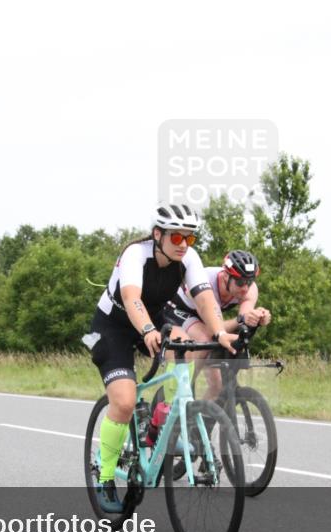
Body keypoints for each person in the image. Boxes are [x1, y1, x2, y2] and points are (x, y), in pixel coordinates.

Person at [85, 203, 238, 512]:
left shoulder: (188, 259)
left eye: (190, 239)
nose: (184, 245)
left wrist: (219, 331)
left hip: (153, 321)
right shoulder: (135, 255)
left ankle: (161, 421)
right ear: (158, 234)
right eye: (177, 238)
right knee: (125, 402)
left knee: (186, 346)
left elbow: (205, 298)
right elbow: (131, 298)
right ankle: (104, 475)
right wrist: (146, 330)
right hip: (113, 326)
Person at [162, 250, 272, 399]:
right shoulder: (206, 282)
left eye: (249, 282)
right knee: (206, 338)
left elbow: (243, 322)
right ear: (226, 276)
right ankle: (181, 392)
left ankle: (199, 418)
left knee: (218, 385)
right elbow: (216, 328)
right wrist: (240, 320)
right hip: (178, 309)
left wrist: (258, 318)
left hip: (207, 316)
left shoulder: (249, 290)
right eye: (240, 282)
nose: (245, 288)